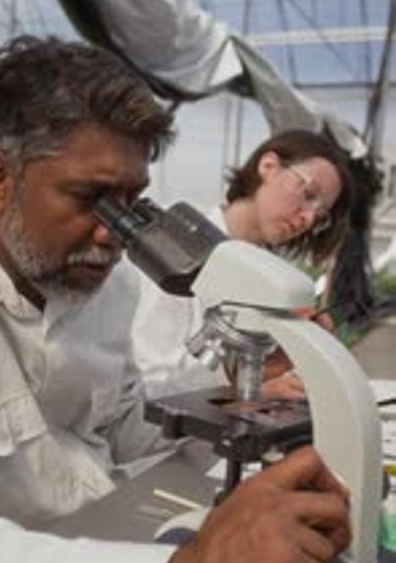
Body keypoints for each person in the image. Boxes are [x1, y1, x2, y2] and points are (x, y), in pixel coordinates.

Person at [0, 35, 350, 563]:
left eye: (132, 203)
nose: (114, 235)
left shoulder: (108, 285)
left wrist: (240, 398)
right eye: (91, 198)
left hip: (110, 553)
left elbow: (123, 421)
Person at [132, 128, 353, 399]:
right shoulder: (179, 247)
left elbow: (239, 366)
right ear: (268, 166)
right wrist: (250, 389)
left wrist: (287, 356)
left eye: (320, 215)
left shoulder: (269, 274)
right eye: (308, 194)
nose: (308, 218)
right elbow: (151, 380)